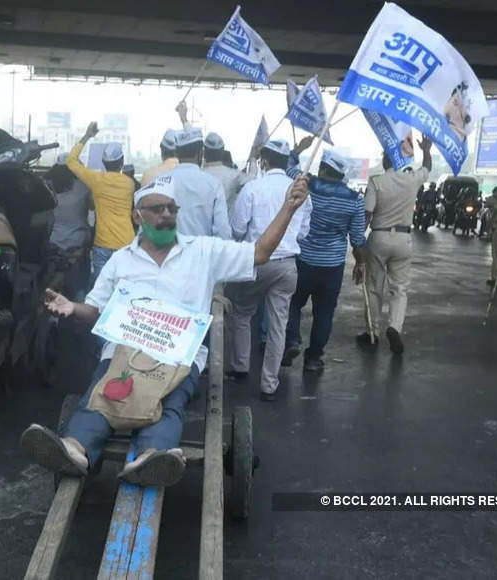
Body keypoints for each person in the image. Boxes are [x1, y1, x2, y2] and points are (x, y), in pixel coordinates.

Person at [20, 172, 310, 486]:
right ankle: (74, 451)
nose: (166, 215)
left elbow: (259, 254)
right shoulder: (120, 261)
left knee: (168, 403)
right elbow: (96, 309)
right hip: (124, 352)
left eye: (172, 209)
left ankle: (154, 458)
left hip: (177, 357)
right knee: (101, 396)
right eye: (157, 209)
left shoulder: (203, 251)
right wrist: (73, 307)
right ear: (137, 216)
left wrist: (289, 208)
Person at [226, 140, 311, 401]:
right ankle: (269, 384)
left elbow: (238, 229)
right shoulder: (300, 193)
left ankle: (240, 367)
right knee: (278, 325)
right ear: (286, 163)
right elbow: (304, 232)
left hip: (256, 261)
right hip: (287, 266)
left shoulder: (252, 188)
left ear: (263, 162)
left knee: (242, 313)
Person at [282, 145, 368, 372]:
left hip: (303, 258)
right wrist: (360, 263)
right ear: (342, 174)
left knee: (292, 303)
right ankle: (313, 359)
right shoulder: (354, 199)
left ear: (322, 168)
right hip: (332, 265)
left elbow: (288, 167)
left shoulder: (307, 184)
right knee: (324, 313)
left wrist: (297, 150)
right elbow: (358, 238)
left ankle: (291, 340)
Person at [359, 135, 434, 354]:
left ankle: (372, 331)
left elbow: (367, 213)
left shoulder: (376, 181)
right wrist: (426, 150)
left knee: (374, 287)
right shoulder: (412, 179)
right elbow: (427, 168)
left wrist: (359, 241)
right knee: (400, 288)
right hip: (404, 239)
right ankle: (395, 327)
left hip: (379, 237)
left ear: (386, 160)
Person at [65, 122, 136, 284]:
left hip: (102, 244)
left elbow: (71, 161)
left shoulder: (96, 180)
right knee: (124, 291)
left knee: (100, 292)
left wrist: (87, 136)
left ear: (104, 163)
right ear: (121, 162)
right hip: (126, 244)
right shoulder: (129, 184)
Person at [168, 128, 231, 239]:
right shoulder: (213, 184)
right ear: (201, 153)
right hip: (203, 253)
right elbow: (223, 232)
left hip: (170, 253)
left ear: (177, 153)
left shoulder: (161, 181)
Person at [46, 161, 93, 300]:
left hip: (52, 245)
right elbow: (92, 207)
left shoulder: (46, 186)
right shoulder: (83, 187)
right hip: (77, 247)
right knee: (78, 289)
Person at [203, 132, 250, 213]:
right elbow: (252, 177)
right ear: (222, 152)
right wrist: (253, 159)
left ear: (204, 153)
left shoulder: (195, 176)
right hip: (226, 224)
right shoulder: (234, 175)